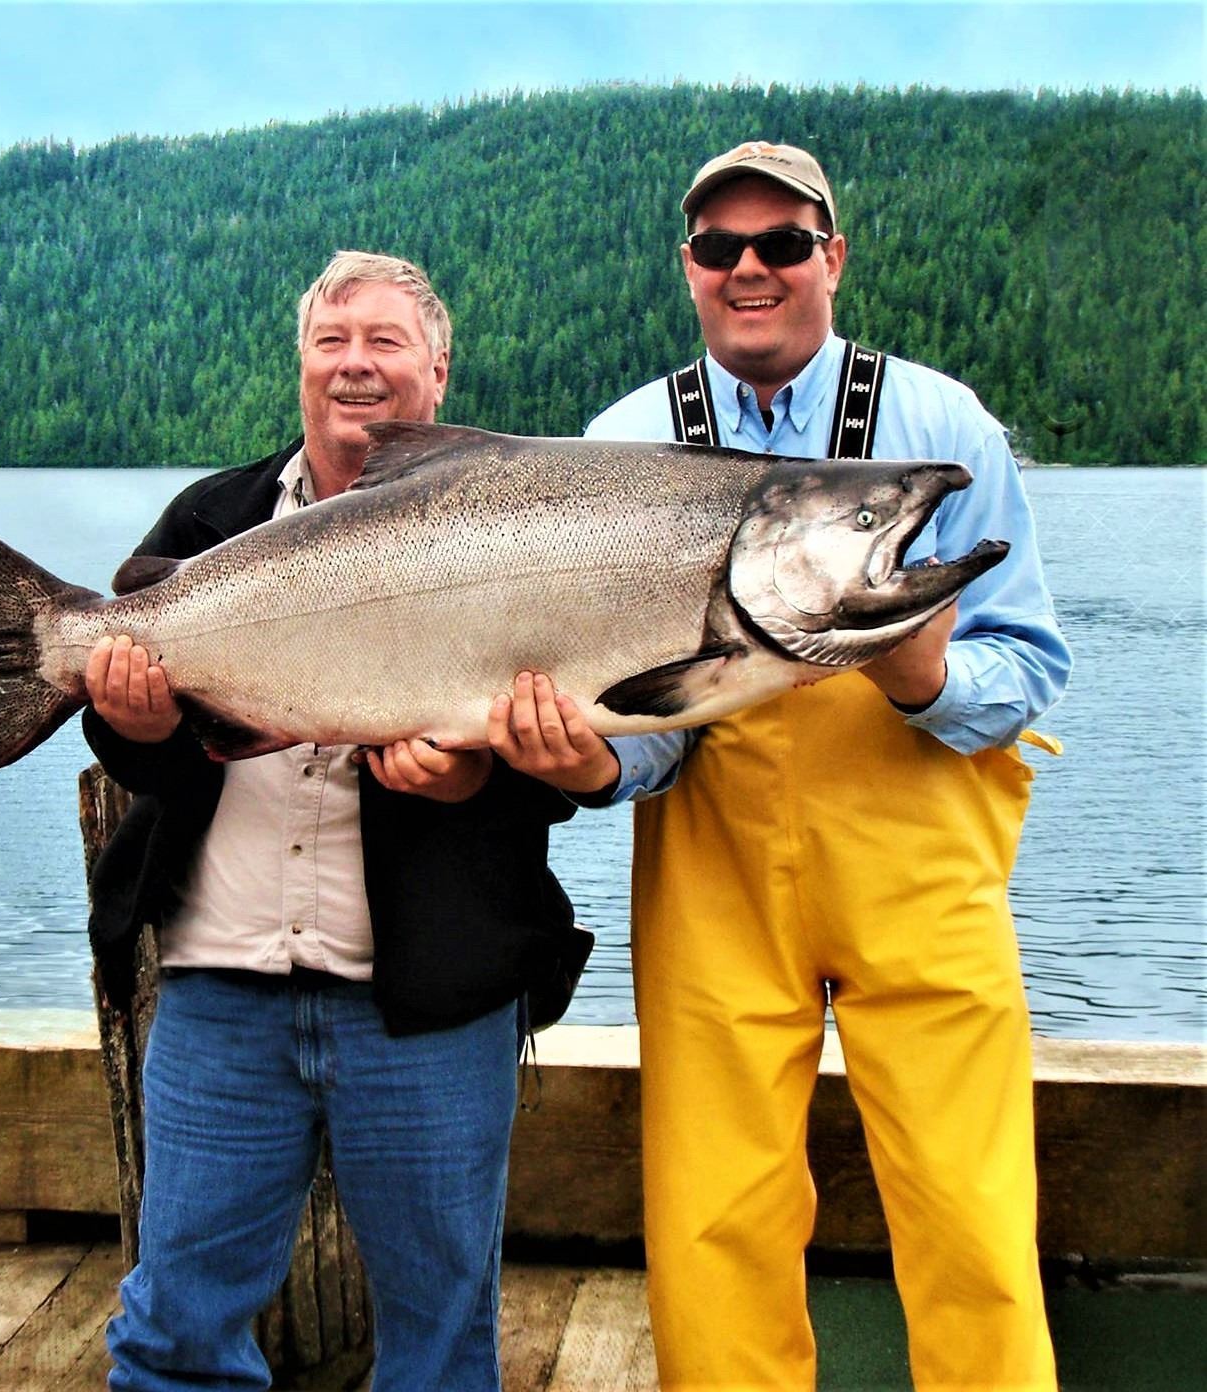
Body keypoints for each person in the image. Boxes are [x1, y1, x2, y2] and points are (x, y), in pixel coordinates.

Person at [493, 142, 1072, 1390]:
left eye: (782, 243)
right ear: (688, 268)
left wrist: (922, 679)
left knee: (972, 1218)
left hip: (926, 886)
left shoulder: (941, 428)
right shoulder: (619, 446)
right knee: (712, 1222)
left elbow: (1028, 660)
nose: (748, 267)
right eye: (720, 247)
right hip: (714, 887)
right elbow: (638, 720)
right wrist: (589, 767)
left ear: (832, 257)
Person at [82, 250, 585, 1392]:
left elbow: (569, 742)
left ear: (439, 372)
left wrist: (473, 782)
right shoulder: (211, 517)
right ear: (302, 364)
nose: (355, 364)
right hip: (220, 991)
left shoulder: (520, 526)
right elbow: (147, 758)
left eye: (385, 341)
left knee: (440, 1345)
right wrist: (134, 719)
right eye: (331, 341)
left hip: (429, 1008)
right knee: (173, 1335)